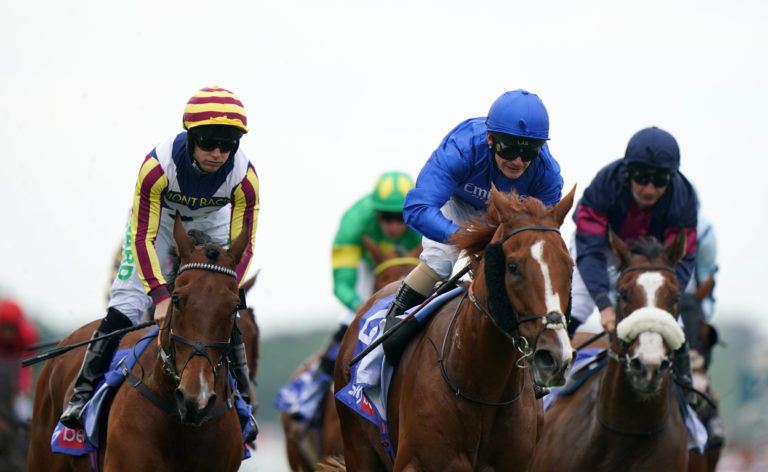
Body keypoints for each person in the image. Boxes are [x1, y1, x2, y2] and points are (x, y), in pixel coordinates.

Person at [60, 86, 260, 433]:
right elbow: (142, 237)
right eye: (209, 143)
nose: (217, 153)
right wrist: (160, 295)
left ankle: (243, 400)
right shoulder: (157, 167)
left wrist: (228, 289)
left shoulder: (245, 179)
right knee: (127, 305)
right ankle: (82, 394)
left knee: (224, 308)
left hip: (212, 221)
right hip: (159, 222)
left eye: (227, 146)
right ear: (192, 137)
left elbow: (246, 245)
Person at [384, 89, 564, 366]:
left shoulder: (546, 173)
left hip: (511, 216)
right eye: (509, 148)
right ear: (491, 139)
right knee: (440, 261)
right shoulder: (461, 148)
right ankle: (391, 332)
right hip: (458, 204)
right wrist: (463, 238)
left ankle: (545, 348)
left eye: (529, 150)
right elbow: (417, 209)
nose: (518, 161)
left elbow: (543, 238)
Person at [567, 126, 699, 403]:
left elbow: (683, 259)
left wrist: (668, 301)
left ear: (671, 178)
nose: (650, 188)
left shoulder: (682, 196)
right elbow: (589, 250)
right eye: (641, 178)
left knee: (674, 320)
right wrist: (604, 304)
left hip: (653, 257)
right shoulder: (606, 183)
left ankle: (687, 395)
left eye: (660, 180)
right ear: (628, 172)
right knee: (579, 302)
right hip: (604, 245)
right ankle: (544, 373)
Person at [0, 297, 39, 422]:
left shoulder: (28, 335)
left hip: (15, 375)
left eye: (12, 328)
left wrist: (22, 389)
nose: (8, 333)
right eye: (4, 327)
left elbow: (27, 366)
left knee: (24, 412)